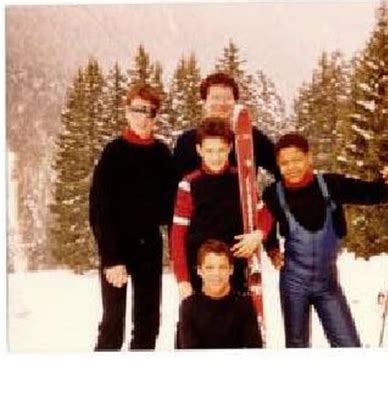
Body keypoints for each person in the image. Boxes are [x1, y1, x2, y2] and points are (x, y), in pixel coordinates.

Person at [262, 132, 388, 348]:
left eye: (297, 159)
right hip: (293, 283)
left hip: (327, 283)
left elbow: (371, 193)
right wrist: (272, 249)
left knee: (348, 343)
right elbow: (265, 223)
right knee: (297, 345)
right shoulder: (274, 193)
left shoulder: (330, 184)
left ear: (309, 158)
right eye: (285, 163)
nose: (292, 167)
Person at [89, 82, 175, 351]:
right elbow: (99, 209)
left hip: (148, 246)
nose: (143, 117)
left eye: (149, 111)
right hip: (117, 247)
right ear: (127, 112)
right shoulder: (114, 152)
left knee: (148, 323)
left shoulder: (162, 154)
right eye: (137, 110)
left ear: (155, 117)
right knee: (113, 324)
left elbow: (171, 205)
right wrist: (111, 258)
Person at [171, 117, 273, 301]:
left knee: (235, 325)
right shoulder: (189, 184)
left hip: (235, 267)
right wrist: (182, 280)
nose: (215, 156)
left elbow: (264, 214)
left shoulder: (241, 180)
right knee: (198, 325)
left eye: (221, 150)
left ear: (230, 148)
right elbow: (178, 235)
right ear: (199, 150)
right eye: (209, 150)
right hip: (201, 270)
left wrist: (258, 234)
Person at [173, 72, 278, 181]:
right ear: (204, 102)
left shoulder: (251, 137)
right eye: (215, 97)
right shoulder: (187, 141)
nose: (222, 103)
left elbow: (282, 169)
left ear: (235, 101)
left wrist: (271, 195)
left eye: (227, 98)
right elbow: (173, 183)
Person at [177, 239, 263, 349]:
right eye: (209, 268)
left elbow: (254, 351)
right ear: (199, 271)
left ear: (231, 270)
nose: (216, 274)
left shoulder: (245, 306)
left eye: (222, 267)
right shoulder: (188, 307)